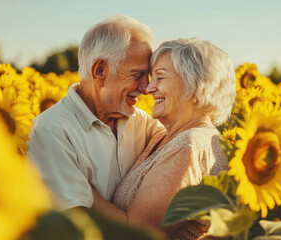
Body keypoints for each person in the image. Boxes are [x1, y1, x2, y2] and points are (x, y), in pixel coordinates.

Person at [91, 38, 236, 239]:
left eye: (160, 78)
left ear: (195, 85)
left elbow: (137, 233)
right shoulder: (167, 136)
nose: (148, 88)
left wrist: (75, 186)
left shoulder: (188, 146)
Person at [26, 15, 163, 211]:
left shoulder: (141, 122)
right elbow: (78, 223)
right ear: (100, 71)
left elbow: (178, 147)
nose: (146, 87)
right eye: (138, 74)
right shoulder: (51, 131)